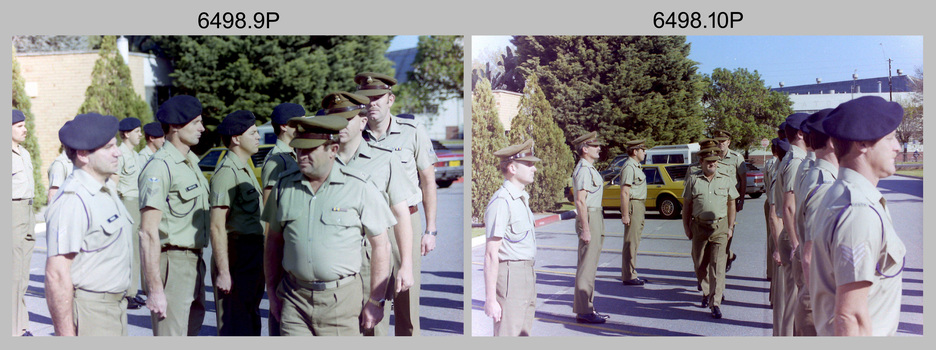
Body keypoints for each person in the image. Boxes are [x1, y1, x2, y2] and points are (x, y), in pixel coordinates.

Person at [262, 114, 394, 336]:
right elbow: (273, 243)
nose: (302, 155)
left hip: (340, 302)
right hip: (294, 297)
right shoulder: (284, 186)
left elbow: (382, 246)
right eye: (299, 149)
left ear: (332, 149)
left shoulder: (358, 186)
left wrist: (376, 300)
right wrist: (272, 293)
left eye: (310, 150)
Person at [810, 96, 906, 336]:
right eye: (890, 138)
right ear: (862, 143)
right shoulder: (859, 212)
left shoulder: (841, 194)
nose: (897, 147)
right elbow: (849, 316)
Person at [325, 91, 418, 336]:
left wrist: (406, 265)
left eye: (347, 118)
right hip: (331, 263)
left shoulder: (384, 160)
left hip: (369, 262)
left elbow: (401, 215)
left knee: (372, 331)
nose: (339, 125)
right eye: (333, 118)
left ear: (362, 122)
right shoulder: (321, 163)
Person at [356, 72, 437, 335]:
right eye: (366, 98)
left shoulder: (412, 132)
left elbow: (428, 181)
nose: (372, 103)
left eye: (378, 97)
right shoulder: (354, 136)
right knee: (373, 293)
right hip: (369, 226)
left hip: (407, 221)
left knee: (407, 300)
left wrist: (430, 229)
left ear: (390, 99)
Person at [43, 113, 132, 336]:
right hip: (93, 313)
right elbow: (57, 275)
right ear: (83, 154)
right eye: (108, 147)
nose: (117, 152)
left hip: (115, 308)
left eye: (116, 145)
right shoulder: (73, 200)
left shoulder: (104, 187)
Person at [137, 95, 210, 336]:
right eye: (196, 122)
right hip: (172, 264)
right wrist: (155, 288)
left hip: (194, 261)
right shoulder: (160, 166)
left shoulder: (190, 161)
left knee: (190, 331)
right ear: (176, 127)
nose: (203, 128)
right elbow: (148, 232)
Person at [208, 110, 265, 336]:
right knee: (235, 323)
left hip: (251, 254)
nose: (258, 136)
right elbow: (217, 225)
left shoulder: (245, 169)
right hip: (237, 255)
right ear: (236, 139)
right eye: (253, 132)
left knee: (249, 318)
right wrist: (223, 272)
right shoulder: (226, 173)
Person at [483, 139, 540, 336]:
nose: (534, 168)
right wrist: (491, 299)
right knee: (508, 334)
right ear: (512, 168)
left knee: (523, 334)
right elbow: (491, 253)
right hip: (510, 276)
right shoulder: (502, 201)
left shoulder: (521, 199)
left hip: (526, 273)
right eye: (529, 164)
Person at [260, 102, 304, 336]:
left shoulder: (294, 154)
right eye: (300, 121)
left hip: (293, 241)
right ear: (285, 126)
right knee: (280, 307)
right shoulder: (276, 160)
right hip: (281, 244)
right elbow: (270, 214)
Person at [682, 146, 739, 319]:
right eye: (708, 162)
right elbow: (687, 206)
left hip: (720, 228)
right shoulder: (693, 180)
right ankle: (706, 292)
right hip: (699, 227)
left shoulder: (725, 179)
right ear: (702, 163)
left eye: (714, 161)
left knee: (718, 266)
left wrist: (730, 227)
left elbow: (731, 204)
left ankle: (715, 302)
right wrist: (686, 227)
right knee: (699, 264)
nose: (712, 164)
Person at [773, 113, 809, 336]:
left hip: (789, 234)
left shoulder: (790, 159)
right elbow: (788, 207)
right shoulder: (796, 161)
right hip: (792, 235)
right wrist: (796, 244)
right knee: (793, 303)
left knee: (790, 299)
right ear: (800, 133)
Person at [571, 131, 608, 324]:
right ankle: (584, 311)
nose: (599, 148)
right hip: (590, 217)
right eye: (595, 146)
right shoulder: (584, 170)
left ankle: (587, 308)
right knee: (587, 267)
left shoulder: (589, 168)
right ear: (585, 149)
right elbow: (580, 202)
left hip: (595, 215)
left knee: (590, 266)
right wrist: (586, 229)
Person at [115, 117, 146, 310]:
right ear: (126, 134)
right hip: (127, 203)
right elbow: (113, 182)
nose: (140, 135)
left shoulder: (134, 155)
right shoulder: (120, 154)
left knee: (136, 250)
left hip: (138, 203)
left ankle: (132, 292)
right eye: (137, 132)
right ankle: (126, 293)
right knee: (129, 251)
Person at [12, 109, 36, 337]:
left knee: (23, 275)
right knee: (13, 274)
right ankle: (14, 329)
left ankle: (20, 324)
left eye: (24, 125)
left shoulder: (25, 153)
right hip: (13, 213)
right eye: (19, 125)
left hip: (28, 212)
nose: (24, 129)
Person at [713, 130, 746, 272]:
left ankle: (724, 257)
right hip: (715, 199)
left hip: (731, 200)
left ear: (728, 142)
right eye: (718, 141)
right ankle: (728, 255)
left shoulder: (737, 157)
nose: (720, 144)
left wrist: (741, 200)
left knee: (728, 231)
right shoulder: (712, 156)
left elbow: (743, 180)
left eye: (723, 141)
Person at [619, 139, 648, 286]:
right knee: (631, 242)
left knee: (635, 241)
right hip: (633, 205)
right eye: (642, 150)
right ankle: (629, 275)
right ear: (635, 151)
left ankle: (631, 272)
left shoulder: (636, 166)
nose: (645, 152)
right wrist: (625, 214)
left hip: (639, 205)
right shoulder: (629, 167)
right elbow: (624, 192)